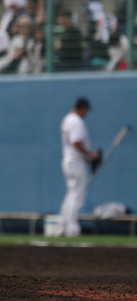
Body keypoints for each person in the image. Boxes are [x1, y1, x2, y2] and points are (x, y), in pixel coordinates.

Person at [58, 97, 100, 237]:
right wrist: (90, 154)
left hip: (69, 162)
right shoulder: (76, 121)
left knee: (70, 195)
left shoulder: (67, 119)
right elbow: (76, 142)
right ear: (82, 108)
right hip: (76, 163)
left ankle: (62, 227)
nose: (86, 113)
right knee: (77, 196)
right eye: (86, 110)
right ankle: (72, 229)